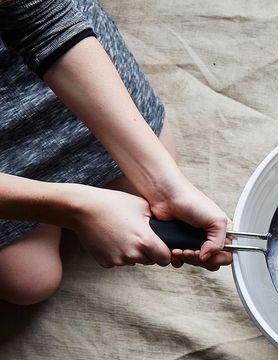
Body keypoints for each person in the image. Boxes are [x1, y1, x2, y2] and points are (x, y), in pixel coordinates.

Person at [0, 0, 232, 306]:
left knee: (156, 185)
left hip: (57, 59)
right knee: (31, 282)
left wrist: (163, 186)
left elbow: (44, 21)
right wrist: (75, 208)